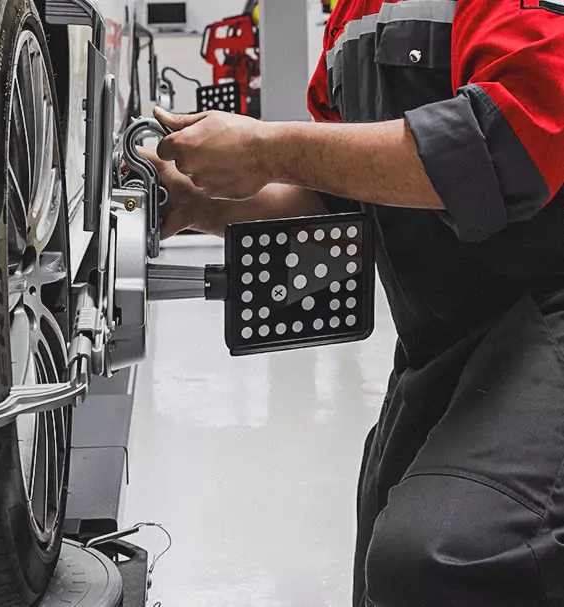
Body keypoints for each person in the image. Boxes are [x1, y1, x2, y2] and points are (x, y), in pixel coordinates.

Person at [143, 1, 564, 605]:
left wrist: (268, 149)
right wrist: (201, 206)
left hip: (547, 323)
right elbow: (345, 200)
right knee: (383, 553)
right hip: (445, 346)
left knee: (447, 555)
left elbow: (507, 146)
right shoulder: (353, 17)